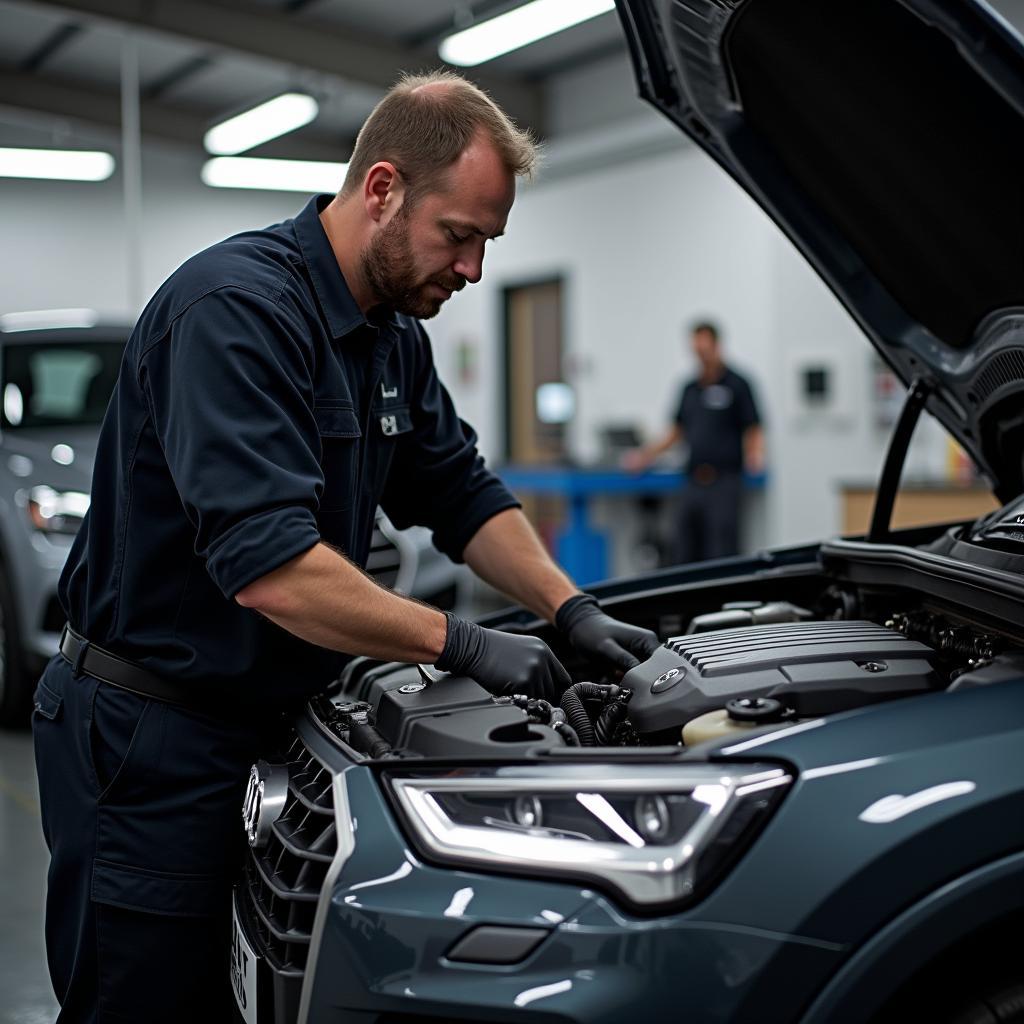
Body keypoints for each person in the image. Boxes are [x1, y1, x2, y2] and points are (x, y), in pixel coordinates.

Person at [32, 70, 660, 1023]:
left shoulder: (386, 334)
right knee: (144, 1001)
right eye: (460, 235)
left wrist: (567, 607)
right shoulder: (236, 312)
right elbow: (273, 571)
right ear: (382, 189)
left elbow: (461, 492)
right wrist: (465, 643)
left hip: (263, 730)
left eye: (489, 244)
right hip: (146, 742)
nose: (473, 269)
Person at [624, 320, 764, 562]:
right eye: (696, 349)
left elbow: (753, 426)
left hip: (725, 481)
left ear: (717, 345)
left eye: (705, 348)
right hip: (692, 480)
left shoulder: (737, 384)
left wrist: (755, 455)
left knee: (722, 549)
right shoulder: (689, 388)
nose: (700, 354)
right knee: (684, 547)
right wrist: (645, 456)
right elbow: (676, 431)